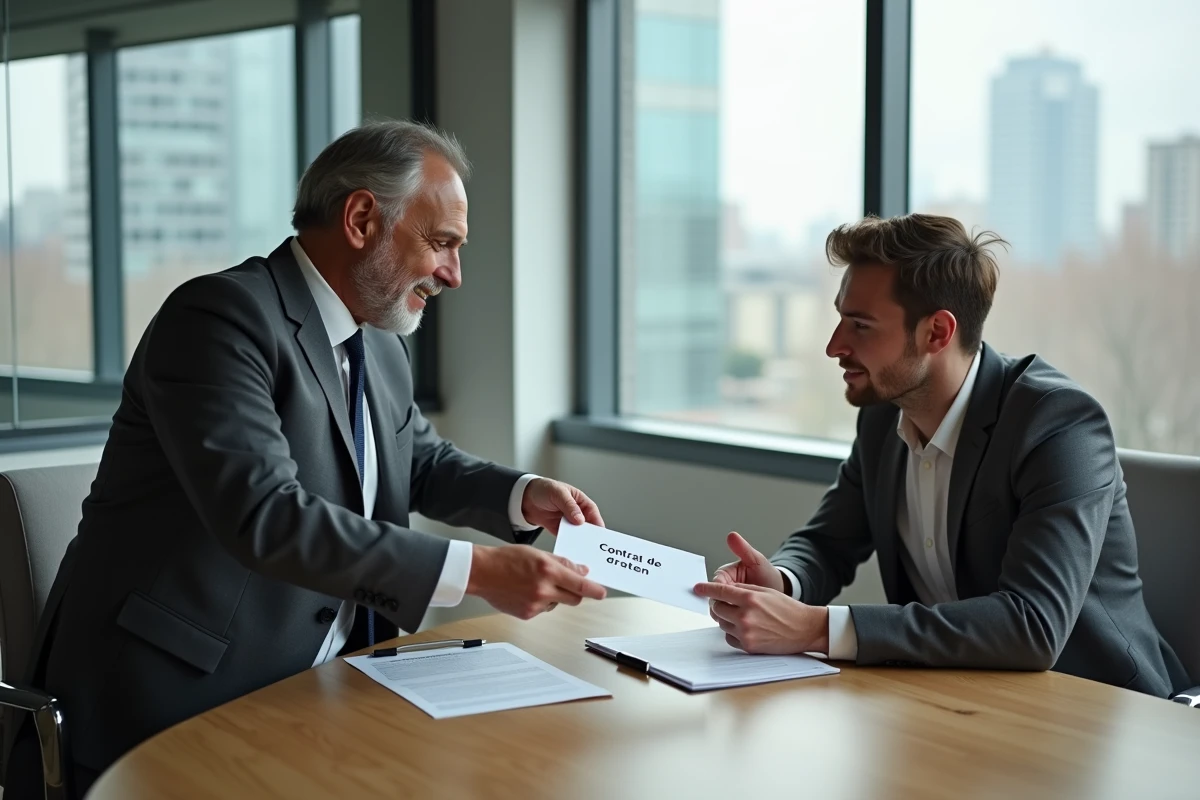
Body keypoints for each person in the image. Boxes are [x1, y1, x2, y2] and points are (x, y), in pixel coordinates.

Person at [2, 120, 606, 796]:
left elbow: (418, 459)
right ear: (361, 220)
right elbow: (265, 515)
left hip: (328, 686)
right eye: (441, 243)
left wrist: (522, 495)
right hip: (180, 701)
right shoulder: (218, 318)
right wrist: (478, 571)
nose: (453, 275)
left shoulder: (380, 345)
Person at [693, 213, 1189, 698]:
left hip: (1099, 710)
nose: (834, 346)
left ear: (936, 332)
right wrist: (781, 581)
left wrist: (816, 628)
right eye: (840, 318)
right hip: (958, 700)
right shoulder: (883, 417)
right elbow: (828, 542)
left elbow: (1032, 624)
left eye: (860, 325)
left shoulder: (1058, 424)